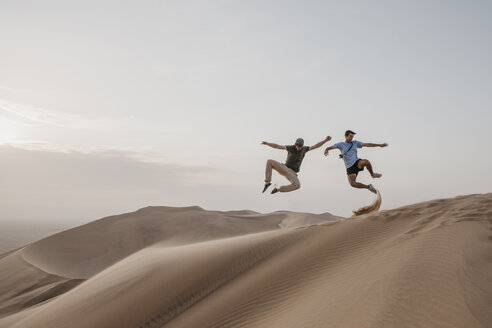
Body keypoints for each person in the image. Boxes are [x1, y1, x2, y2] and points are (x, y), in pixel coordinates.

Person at [262, 136, 331, 194]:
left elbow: (316, 146)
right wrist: (268, 143)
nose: (299, 148)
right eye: (298, 146)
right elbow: (278, 146)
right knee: (269, 161)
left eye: (300, 146)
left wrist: (325, 140)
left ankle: (279, 189)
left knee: (297, 185)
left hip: (292, 173)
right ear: (295, 144)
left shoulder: (304, 149)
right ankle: (267, 182)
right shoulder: (291, 148)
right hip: (285, 168)